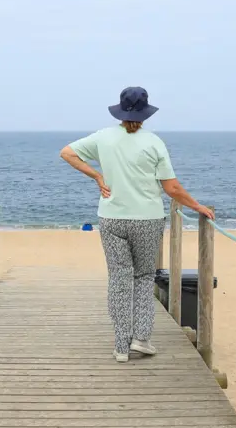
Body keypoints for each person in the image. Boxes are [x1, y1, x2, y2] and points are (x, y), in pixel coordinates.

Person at [60, 87, 215, 363]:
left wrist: (97, 176)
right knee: (143, 278)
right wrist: (198, 206)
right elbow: (172, 188)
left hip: (112, 218)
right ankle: (141, 339)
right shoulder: (154, 142)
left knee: (119, 280)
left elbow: (67, 153)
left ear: (120, 111)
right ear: (145, 112)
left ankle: (121, 345)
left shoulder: (103, 137)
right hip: (147, 219)